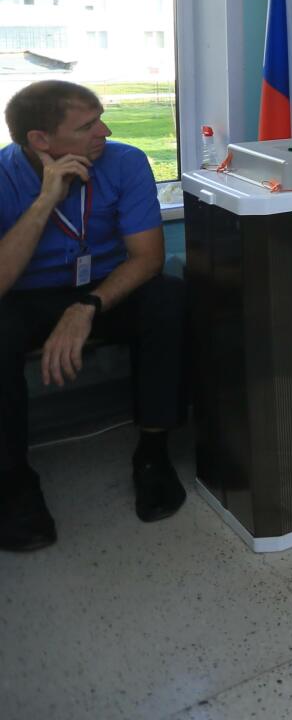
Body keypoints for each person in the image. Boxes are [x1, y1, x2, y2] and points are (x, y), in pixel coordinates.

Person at [0, 80, 189, 551]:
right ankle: (13, 482)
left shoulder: (125, 162)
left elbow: (147, 258)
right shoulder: (3, 177)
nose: (104, 131)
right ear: (41, 140)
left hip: (102, 290)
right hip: (25, 297)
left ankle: (153, 453)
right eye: (87, 126)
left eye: (100, 119)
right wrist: (45, 200)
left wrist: (86, 307)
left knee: (167, 298)